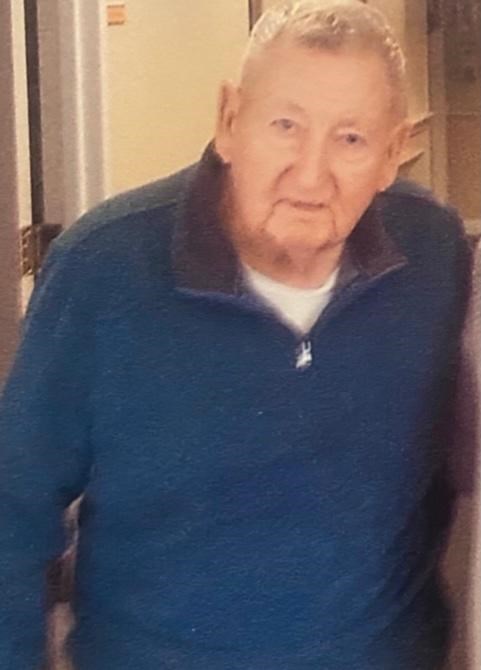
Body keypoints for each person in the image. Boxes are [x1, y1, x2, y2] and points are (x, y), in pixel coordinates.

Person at [0, 1, 474, 668]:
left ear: (393, 152)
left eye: (350, 139)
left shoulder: (433, 251)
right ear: (229, 120)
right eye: (285, 126)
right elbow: (13, 511)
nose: (309, 175)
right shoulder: (102, 268)